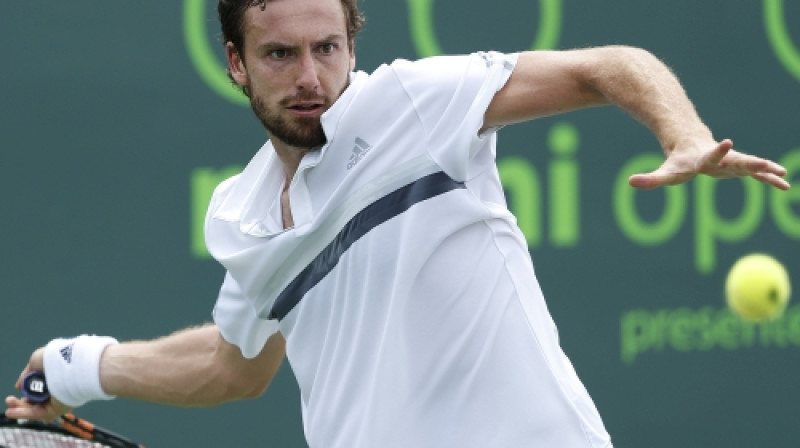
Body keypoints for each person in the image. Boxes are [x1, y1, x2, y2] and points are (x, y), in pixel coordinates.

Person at [6, 0, 790, 446]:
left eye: (328, 48)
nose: (311, 78)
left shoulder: (415, 103)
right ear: (236, 63)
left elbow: (605, 66)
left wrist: (682, 133)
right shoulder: (239, 217)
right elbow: (231, 366)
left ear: (354, 42)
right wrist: (70, 367)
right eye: (280, 55)